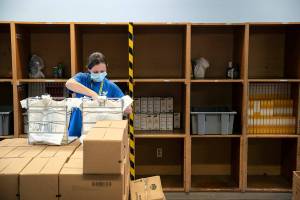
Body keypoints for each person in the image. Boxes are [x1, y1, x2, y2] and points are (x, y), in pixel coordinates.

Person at [66, 52, 132, 136]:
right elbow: (69, 84)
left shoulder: (111, 86)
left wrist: (122, 106)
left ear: (106, 68)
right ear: (89, 69)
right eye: (96, 72)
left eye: (102, 71)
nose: (99, 74)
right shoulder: (83, 78)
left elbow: (128, 109)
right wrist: (93, 94)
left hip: (98, 130)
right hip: (77, 127)